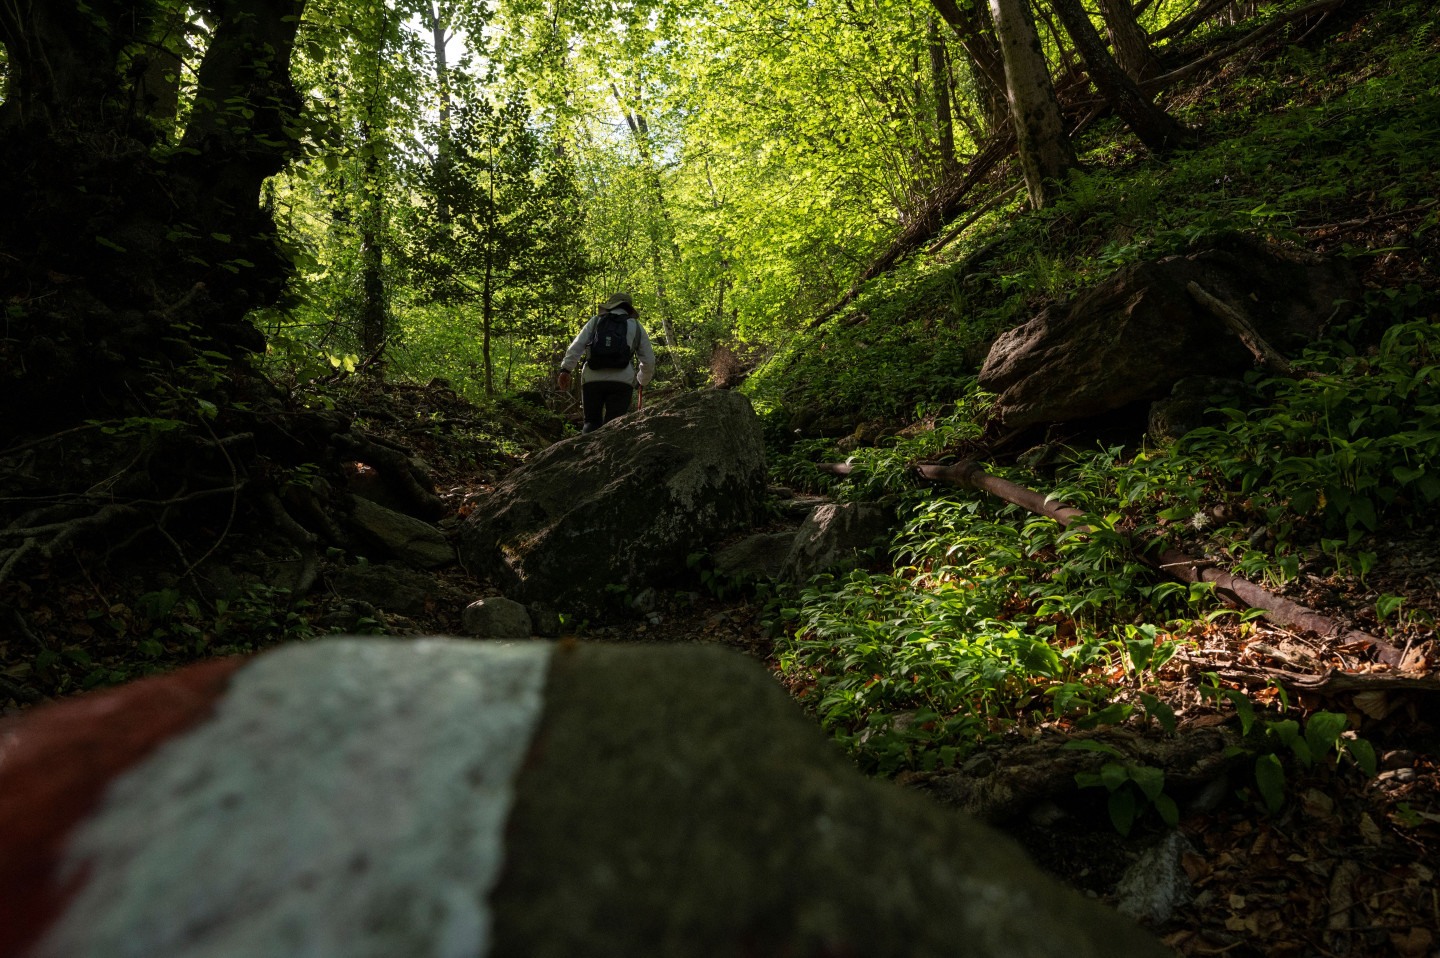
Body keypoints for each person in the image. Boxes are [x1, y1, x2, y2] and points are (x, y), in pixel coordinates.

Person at [557, 292, 656, 433]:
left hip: (592, 378)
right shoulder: (636, 326)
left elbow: (576, 346)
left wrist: (565, 370)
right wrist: (642, 380)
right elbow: (649, 360)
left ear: (610, 305)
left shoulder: (596, 321)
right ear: (628, 308)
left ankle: (585, 453)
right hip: (622, 380)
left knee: (591, 422)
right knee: (614, 426)